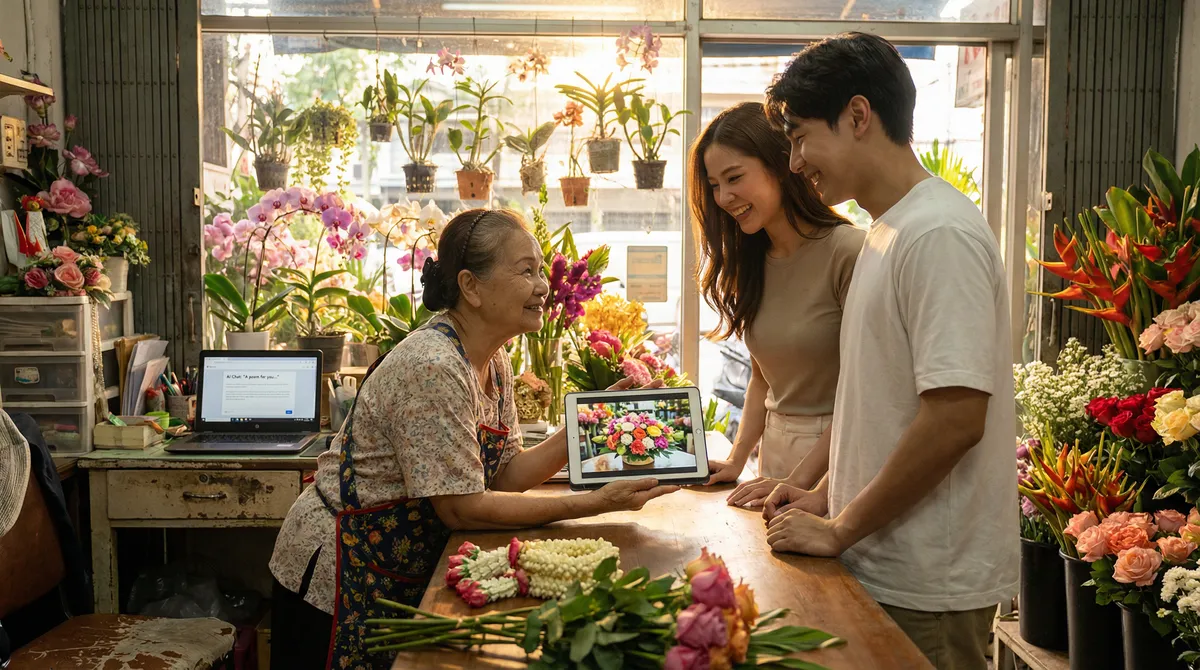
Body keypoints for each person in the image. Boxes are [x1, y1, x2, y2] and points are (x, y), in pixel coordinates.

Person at [267, 208, 679, 670]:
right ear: (471, 287)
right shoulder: (433, 366)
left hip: (395, 565)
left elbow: (504, 474)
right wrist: (594, 502)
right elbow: (461, 506)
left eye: (541, 271)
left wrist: (583, 426)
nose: (543, 286)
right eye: (527, 271)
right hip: (337, 576)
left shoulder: (493, 361)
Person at [733, 33, 1018, 670]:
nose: (798, 161)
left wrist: (840, 526)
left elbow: (954, 419)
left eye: (803, 136)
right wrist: (825, 494)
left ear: (859, 116)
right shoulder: (887, 231)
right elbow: (880, 401)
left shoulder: (938, 232)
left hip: (925, 575)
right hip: (880, 556)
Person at [690, 102, 865, 485]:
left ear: (781, 165)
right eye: (715, 185)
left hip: (838, 459)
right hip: (776, 454)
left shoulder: (848, 251)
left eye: (734, 178)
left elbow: (867, 392)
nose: (722, 198)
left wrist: (798, 484)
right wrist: (737, 461)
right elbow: (762, 379)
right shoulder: (753, 262)